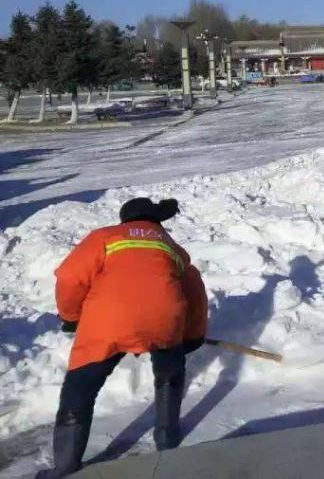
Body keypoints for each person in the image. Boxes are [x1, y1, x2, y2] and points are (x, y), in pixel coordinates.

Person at [38, 198, 207, 478]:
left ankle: (65, 466)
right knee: (170, 373)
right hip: (164, 321)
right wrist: (192, 336)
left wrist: (70, 316)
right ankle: (167, 439)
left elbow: (70, 277)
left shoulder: (105, 237)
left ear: (124, 219)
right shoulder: (171, 247)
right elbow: (194, 291)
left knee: (80, 389)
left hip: (108, 323)